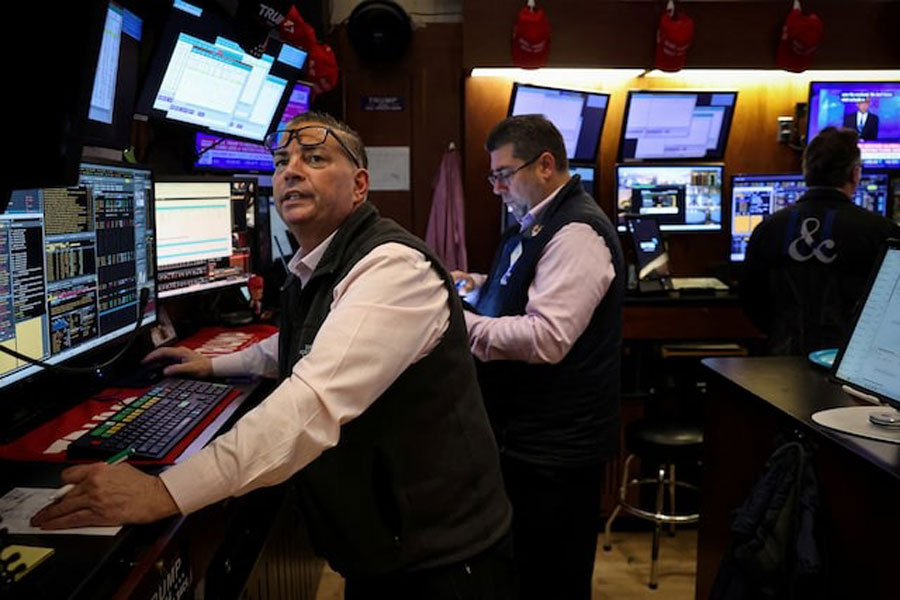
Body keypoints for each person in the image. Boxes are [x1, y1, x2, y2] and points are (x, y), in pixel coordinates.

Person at [33, 111, 515, 599]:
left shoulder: (392, 268)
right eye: (282, 161)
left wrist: (163, 492)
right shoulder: (317, 264)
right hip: (388, 547)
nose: (291, 170)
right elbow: (302, 344)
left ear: (360, 185)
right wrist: (216, 364)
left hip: (445, 561)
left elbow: (310, 405)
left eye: (315, 158)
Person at [452, 114, 624, 600]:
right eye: (494, 176)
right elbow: (528, 291)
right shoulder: (538, 222)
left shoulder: (577, 234)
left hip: (557, 452)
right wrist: (476, 287)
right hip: (529, 440)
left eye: (504, 175)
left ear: (545, 165)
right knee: (524, 571)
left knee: (551, 579)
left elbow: (546, 337)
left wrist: (457, 326)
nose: (497, 188)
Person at [741, 126, 900, 355]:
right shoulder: (882, 233)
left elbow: (752, 301)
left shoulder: (768, 229)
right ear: (855, 174)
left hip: (782, 362)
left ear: (806, 171)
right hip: (853, 364)